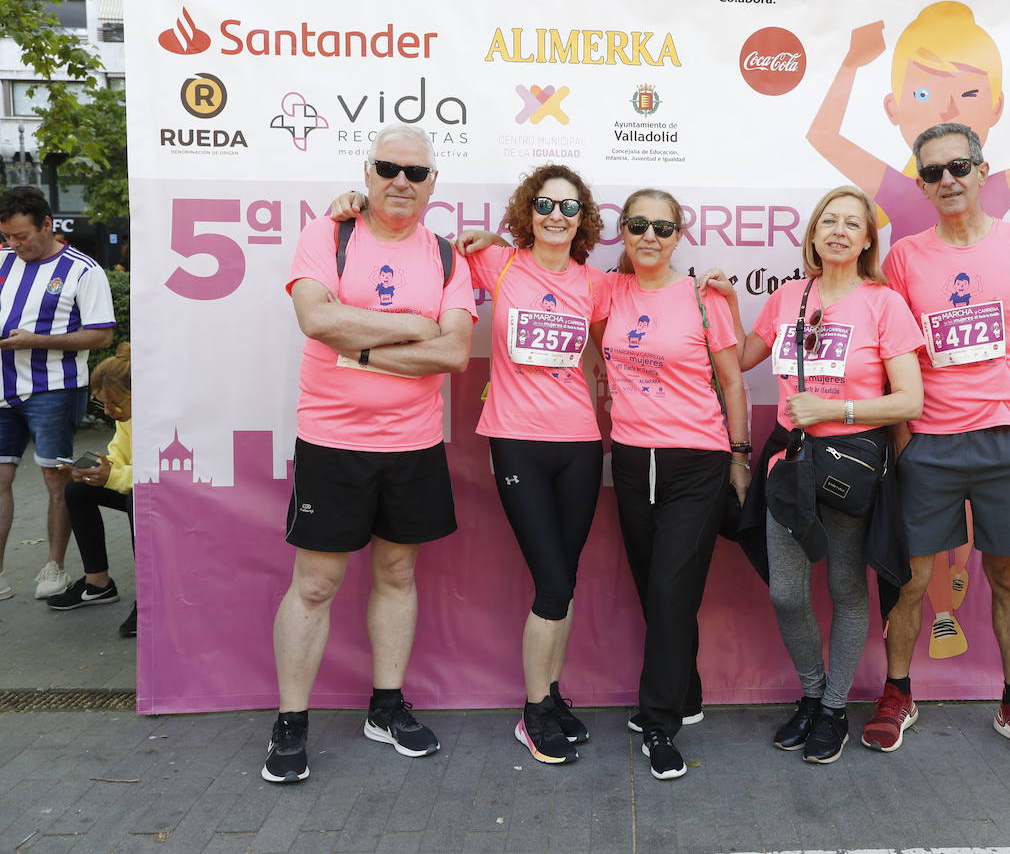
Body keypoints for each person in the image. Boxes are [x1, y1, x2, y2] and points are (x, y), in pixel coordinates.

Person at [328, 164, 611, 768]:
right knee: (554, 583)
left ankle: (554, 697)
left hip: (581, 444)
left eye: (568, 208)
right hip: (517, 443)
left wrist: (708, 287)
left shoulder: (597, 284)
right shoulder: (497, 263)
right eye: (544, 205)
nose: (556, 217)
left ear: (582, 219)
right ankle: (534, 715)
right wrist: (351, 207)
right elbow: (418, 250)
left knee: (565, 580)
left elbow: (651, 303)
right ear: (526, 213)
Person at [263, 124, 475, 784]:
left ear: (434, 183)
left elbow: (454, 352)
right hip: (333, 442)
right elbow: (315, 319)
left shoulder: (446, 257)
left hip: (413, 446)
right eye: (389, 167)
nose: (401, 182)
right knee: (317, 583)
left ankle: (386, 707)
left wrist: (359, 346)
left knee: (396, 576)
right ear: (368, 170)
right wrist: (414, 325)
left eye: (416, 172)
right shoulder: (328, 234)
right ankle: (291, 721)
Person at [864, 122, 1010, 764]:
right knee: (912, 579)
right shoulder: (903, 256)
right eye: (932, 172)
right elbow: (889, 350)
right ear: (922, 185)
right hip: (929, 443)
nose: (947, 179)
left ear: (982, 170)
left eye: (959, 166)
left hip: (1007, 440)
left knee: (1008, 573)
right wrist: (904, 441)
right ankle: (898, 693)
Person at [707, 187, 923, 764]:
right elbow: (741, 360)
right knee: (786, 593)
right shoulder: (787, 298)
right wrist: (724, 307)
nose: (839, 230)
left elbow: (909, 399)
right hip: (790, 465)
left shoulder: (884, 304)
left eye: (853, 223)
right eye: (830, 220)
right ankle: (809, 694)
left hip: (851, 467)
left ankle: (832, 709)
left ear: (867, 240)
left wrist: (836, 410)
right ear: (813, 233)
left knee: (849, 590)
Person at [596, 188, 750, 780]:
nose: (649, 236)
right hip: (634, 462)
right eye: (638, 225)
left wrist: (739, 457)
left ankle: (660, 723)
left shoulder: (704, 297)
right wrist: (492, 248)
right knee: (657, 590)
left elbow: (733, 384)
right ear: (624, 232)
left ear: (679, 233)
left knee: (668, 592)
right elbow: (543, 276)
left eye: (662, 227)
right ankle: (685, 692)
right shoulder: (608, 290)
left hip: (697, 464)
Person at [806, 1, 1010, 243]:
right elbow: (824, 136)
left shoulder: (992, 187)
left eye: (969, 93)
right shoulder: (899, 190)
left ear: (996, 107)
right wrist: (851, 64)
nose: (948, 111)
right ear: (893, 108)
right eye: (923, 94)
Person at [0, 186, 115, 601]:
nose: (14, 245)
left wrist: (37, 341)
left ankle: (55, 565)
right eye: (8, 237)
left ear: (47, 225)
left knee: (56, 478)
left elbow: (102, 334)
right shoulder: (2, 261)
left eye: (22, 236)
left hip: (54, 387)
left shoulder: (84, 270)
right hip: (2, 389)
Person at [45, 342, 138, 636]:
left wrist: (110, 475)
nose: (110, 412)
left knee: (138, 498)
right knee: (77, 488)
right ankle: (98, 583)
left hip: (172, 494)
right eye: (102, 404)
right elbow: (118, 458)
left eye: (116, 404)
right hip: (141, 484)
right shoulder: (127, 418)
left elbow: (158, 477)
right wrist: (91, 468)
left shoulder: (165, 414)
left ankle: (151, 599)